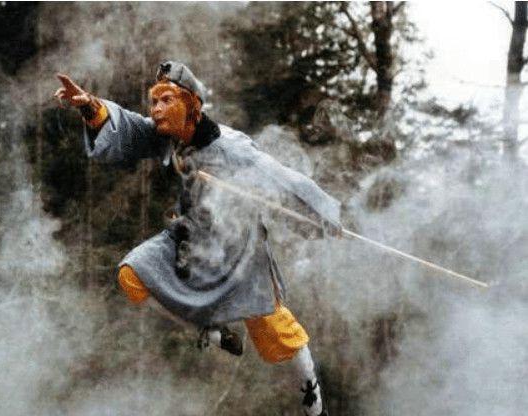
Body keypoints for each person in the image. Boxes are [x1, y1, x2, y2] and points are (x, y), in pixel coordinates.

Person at [54, 61, 342, 416]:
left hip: (238, 249)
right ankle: (213, 329)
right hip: (190, 237)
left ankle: (313, 400)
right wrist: (90, 107)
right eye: (154, 101)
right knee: (133, 274)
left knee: (275, 329)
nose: (156, 109)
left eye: (166, 100)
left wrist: (322, 216)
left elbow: (282, 180)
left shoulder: (231, 148)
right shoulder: (168, 136)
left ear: (191, 106)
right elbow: (130, 127)